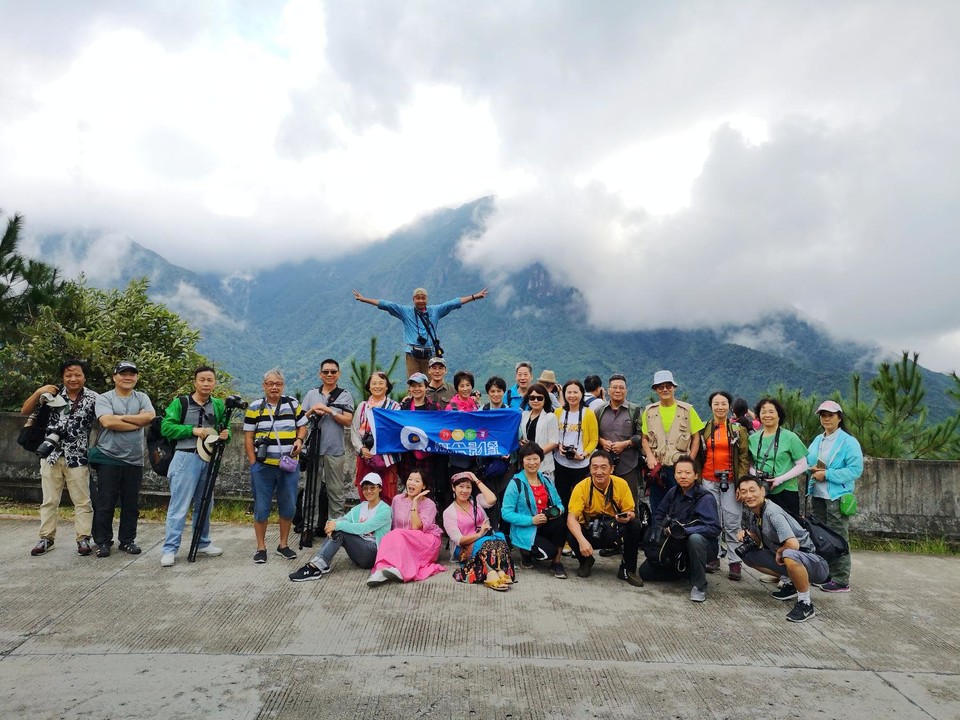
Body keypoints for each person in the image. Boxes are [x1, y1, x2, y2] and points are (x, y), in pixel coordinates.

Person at [22, 359, 98, 557]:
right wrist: (38, 392)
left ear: (84, 377)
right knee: (49, 500)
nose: (73, 379)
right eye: (68, 375)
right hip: (50, 455)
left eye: (77, 375)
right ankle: (46, 538)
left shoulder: (93, 398)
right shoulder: (51, 395)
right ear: (63, 377)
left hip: (78, 457)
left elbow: (106, 419)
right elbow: (25, 411)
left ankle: (83, 538)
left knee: (82, 501)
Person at [158, 365, 232, 567]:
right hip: (185, 457)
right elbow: (166, 427)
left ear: (214, 383)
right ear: (195, 382)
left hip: (208, 457)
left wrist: (226, 435)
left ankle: (202, 542)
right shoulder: (181, 403)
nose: (206, 384)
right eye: (202, 380)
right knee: (179, 506)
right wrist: (192, 430)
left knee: (205, 503)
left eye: (210, 380)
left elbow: (224, 428)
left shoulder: (217, 405)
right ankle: (169, 549)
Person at [736, 475, 829, 622]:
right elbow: (758, 542)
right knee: (748, 555)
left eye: (752, 490)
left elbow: (793, 544)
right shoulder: (755, 513)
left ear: (762, 491)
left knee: (788, 553)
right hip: (793, 560)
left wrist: (779, 551)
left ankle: (805, 603)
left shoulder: (772, 512)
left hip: (815, 564)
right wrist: (748, 535)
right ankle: (793, 584)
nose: (749, 495)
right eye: (744, 491)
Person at [91, 361, 155, 557]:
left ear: (136, 377)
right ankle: (103, 541)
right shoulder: (104, 398)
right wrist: (137, 421)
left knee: (131, 504)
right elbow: (107, 421)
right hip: (108, 457)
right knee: (105, 502)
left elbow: (150, 418)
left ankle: (127, 541)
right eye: (123, 373)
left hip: (134, 459)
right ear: (114, 377)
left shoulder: (142, 397)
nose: (127, 377)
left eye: (131, 374)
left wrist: (119, 418)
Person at [243, 369, 308, 564]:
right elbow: (248, 437)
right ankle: (261, 547)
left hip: (288, 466)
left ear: (283, 386)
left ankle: (283, 544)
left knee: (288, 506)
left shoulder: (292, 404)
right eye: (270, 384)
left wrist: (299, 440)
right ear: (264, 386)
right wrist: (253, 463)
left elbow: (303, 425)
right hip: (263, 467)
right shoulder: (255, 407)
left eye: (278, 384)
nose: (274, 387)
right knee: (261, 507)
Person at [352, 286, 488, 376]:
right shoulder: (406, 312)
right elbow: (387, 304)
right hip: (412, 354)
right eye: (418, 298)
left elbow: (453, 303)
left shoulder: (435, 311)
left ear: (427, 299)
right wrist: (364, 299)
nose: (421, 301)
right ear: (413, 299)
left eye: (423, 298)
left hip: (429, 354)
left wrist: (474, 296)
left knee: (430, 385)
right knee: (414, 384)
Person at [639, 455, 720, 602]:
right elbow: (659, 514)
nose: (683, 476)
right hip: (675, 541)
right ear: (675, 475)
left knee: (695, 539)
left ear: (696, 475)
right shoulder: (673, 492)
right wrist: (661, 530)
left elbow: (714, 528)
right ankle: (684, 570)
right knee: (645, 572)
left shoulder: (705, 498)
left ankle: (699, 585)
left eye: (688, 473)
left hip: (702, 545)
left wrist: (686, 531)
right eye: (679, 472)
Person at [288, 473, 392, 582]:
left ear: (380, 488)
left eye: (372, 488)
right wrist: (331, 524)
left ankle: (315, 567)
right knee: (337, 529)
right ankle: (318, 564)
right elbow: (344, 519)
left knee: (341, 531)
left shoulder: (385, 510)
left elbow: (364, 527)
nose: (368, 491)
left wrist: (336, 525)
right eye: (365, 488)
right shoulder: (362, 506)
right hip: (359, 552)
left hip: (373, 554)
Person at [807, 400, 863, 593]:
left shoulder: (848, 442)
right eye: (823, 415)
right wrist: (812, 469)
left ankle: (841, 579)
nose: (826, 419)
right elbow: (808, 460)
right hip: (818, 495)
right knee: (822, 537)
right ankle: (826, 574)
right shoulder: (818, 440)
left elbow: (855, 470)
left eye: (830, 415)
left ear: (839, 417)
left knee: (838, 537)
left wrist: (827, 475)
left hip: (837, 497)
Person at [566, 451, 644, 587]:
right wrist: (582, 541)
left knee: (634, 524)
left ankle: (628, 569)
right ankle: (585, 561)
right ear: (590, 468)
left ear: (612, 469)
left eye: (603, 467)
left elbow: (631, 512)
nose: (599, 472)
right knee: (570, 531)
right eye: (595, 467)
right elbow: (571, 518)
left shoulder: (621, 484)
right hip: (590, 532)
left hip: (614, 529)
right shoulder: (581, 487)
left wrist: (627, 517)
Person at [699, 390, 750, 580]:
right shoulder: (704, 428)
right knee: (711, 520)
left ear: (729, 407)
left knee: (732, 520)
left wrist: (741, 483)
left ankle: (735, 561)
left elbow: (744, 458)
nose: (720, 407)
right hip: (708, 479)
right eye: (716, 404)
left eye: (723, 404)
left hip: (731, 481)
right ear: (711, 406)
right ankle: (713, 556)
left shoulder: (738, 430)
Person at [367, 469, 446, 586]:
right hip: (404, 540)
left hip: (426, 541)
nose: (412, 483)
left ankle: (401, 571)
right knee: (389, 536)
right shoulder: (397, 499)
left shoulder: (429, 504)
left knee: (397, 533)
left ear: (424, 486)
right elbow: (392, 524)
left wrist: (415, 502)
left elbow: (416, 527)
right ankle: (380, 571)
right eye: (410, 479)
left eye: (417, 481)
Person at [641, 370, 705, 514]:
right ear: (656, 389)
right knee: (658, 507)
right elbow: (644, 438)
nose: (665, 389)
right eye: (660, 387)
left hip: (679, 467)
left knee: (683, 506)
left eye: (668, 386)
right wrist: (650, 456)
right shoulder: (649, 412)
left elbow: (696, 437)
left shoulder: (687, 410)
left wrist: (690, 460)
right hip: (657, 468)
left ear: (674, 387)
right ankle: (658, 528)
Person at [300, 359, 355, 521]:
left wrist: (330, 411)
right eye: (326, 372)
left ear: (338, 374)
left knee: (336, 491)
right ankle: (309, 524)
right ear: (320, 374)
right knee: (310, 489)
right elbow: (301, 420)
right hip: (313, 449)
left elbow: (348, 421)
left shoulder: (345, 395)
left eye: (333, 372)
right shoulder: (311, 394)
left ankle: (335, 526)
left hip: (335, 450)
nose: (329, 374)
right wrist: (312, 410)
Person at [501, 443, 567, 578]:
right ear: (522, 461)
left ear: (541, 459)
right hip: (526, 527)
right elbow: (506, 513)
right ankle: (526, 553)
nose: (532, 463)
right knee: (549, 552)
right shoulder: (516, 483)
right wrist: (531, 520)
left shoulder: (546, 480)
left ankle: (557, 562)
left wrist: (556, 512)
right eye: (528, 459)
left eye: (535, 458)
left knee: (561, 523)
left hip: (544, 524)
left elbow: (560, 504)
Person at [442, 471, 516, 591]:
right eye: (461, 486)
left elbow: (492, 499)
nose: (464, 490)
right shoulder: (449, 512)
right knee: (489, 542)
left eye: (468, 487)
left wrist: (475, 479)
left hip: (486, 540)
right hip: (464, 548)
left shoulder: (476, 501)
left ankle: (497, 572)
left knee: (499, 537)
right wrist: (480, 534)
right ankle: (494, 574)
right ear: (453, 488)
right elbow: (459, 540)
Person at [748, 397, 808, 519]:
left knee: (789, 525)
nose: (767, 415)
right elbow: (749, 464)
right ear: (759, 416)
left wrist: (780, 479)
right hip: (761, 491)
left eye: (771, 411)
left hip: (786, 490)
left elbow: (802, 465)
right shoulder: (753, 439)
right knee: (763, 525)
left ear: (779, 415)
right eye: (763, 412)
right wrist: (755, 473)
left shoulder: (790, 437)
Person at [350, 371, 402, 504]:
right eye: (374, 383)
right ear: (369, 386)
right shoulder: (362, 407)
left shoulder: (394, 407)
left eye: (381, 383)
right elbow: (355, 430)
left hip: (387, 457)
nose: (377, 386)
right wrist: (361, 448)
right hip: (366, 456)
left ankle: (386, 517)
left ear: (387, 386)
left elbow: (397, 432)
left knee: (388, 492)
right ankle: (366, 516)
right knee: (366, 491)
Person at [596, 374, 644, 505]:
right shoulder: (599, 411)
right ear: (608, 390)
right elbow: (592, 434)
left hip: (628, 465)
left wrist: (626, 443)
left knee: (630, 502)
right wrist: (601, 441)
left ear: (626, 390)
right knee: (603, 502)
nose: (618, 390)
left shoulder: (635, 411)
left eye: (621, 388)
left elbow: (643, 436)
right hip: (604, 465)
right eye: (614, 387)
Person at [397, 373, 443, 501]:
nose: (416, 389)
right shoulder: (404, 407)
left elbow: (439, 430)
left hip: (428, 456)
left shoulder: (434, 407)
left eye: (420, 385)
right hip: (408, 456)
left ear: (426, 387)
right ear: (409, 389)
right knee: (409, 487)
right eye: (413, 386)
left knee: (427, 489)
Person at [553, 379, 599, 508]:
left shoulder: (588, 413)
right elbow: (553, 435)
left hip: (581, 465)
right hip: (560, 463)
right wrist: (558, 446)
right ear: (564, 394)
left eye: (575, 392)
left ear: (581, 394)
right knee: (562, 497)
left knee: (581, 498)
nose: (572, 395)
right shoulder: (558, 412)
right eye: (569, 392)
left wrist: (583, 455)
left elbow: (594, 440)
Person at [519, 383, 560, 480]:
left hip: (544, 464)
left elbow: (554, 442)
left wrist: (537, 454)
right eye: (532, 398)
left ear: (545, 400)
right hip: (527, 463)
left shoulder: (550, 417)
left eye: (539, 398)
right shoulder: (524, 415)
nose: (536, 401)